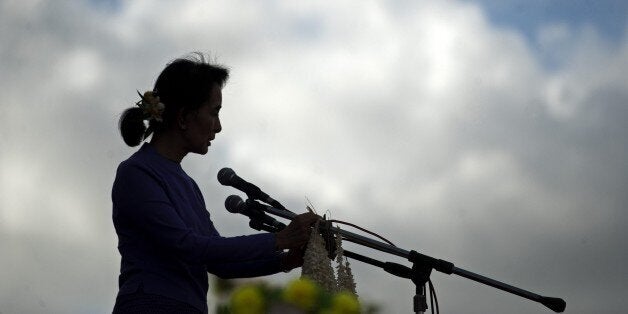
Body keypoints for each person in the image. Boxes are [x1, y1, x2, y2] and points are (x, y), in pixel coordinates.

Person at [112, 53, 319, 313]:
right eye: (214, 112)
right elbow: (189, 247)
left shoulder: (187, 185)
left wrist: (289, 259)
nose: (218, 127)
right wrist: (280, 239)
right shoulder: (137, 173)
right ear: (184, 117)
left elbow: (220, 263)